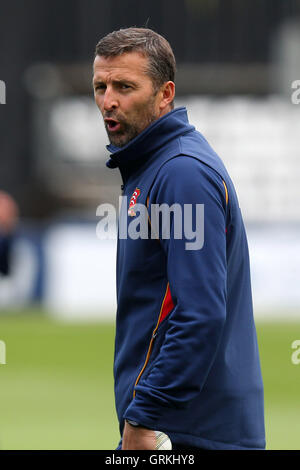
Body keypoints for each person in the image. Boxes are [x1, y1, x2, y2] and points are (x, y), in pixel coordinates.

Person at [93, 27, 265, 450]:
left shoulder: (181, 173)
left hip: (186, 432)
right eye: (100, 86)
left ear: (165, 93)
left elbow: (198, 312)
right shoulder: (152, 166)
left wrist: (144, 414)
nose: (108, 100)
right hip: (182, 426)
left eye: (124, 86)